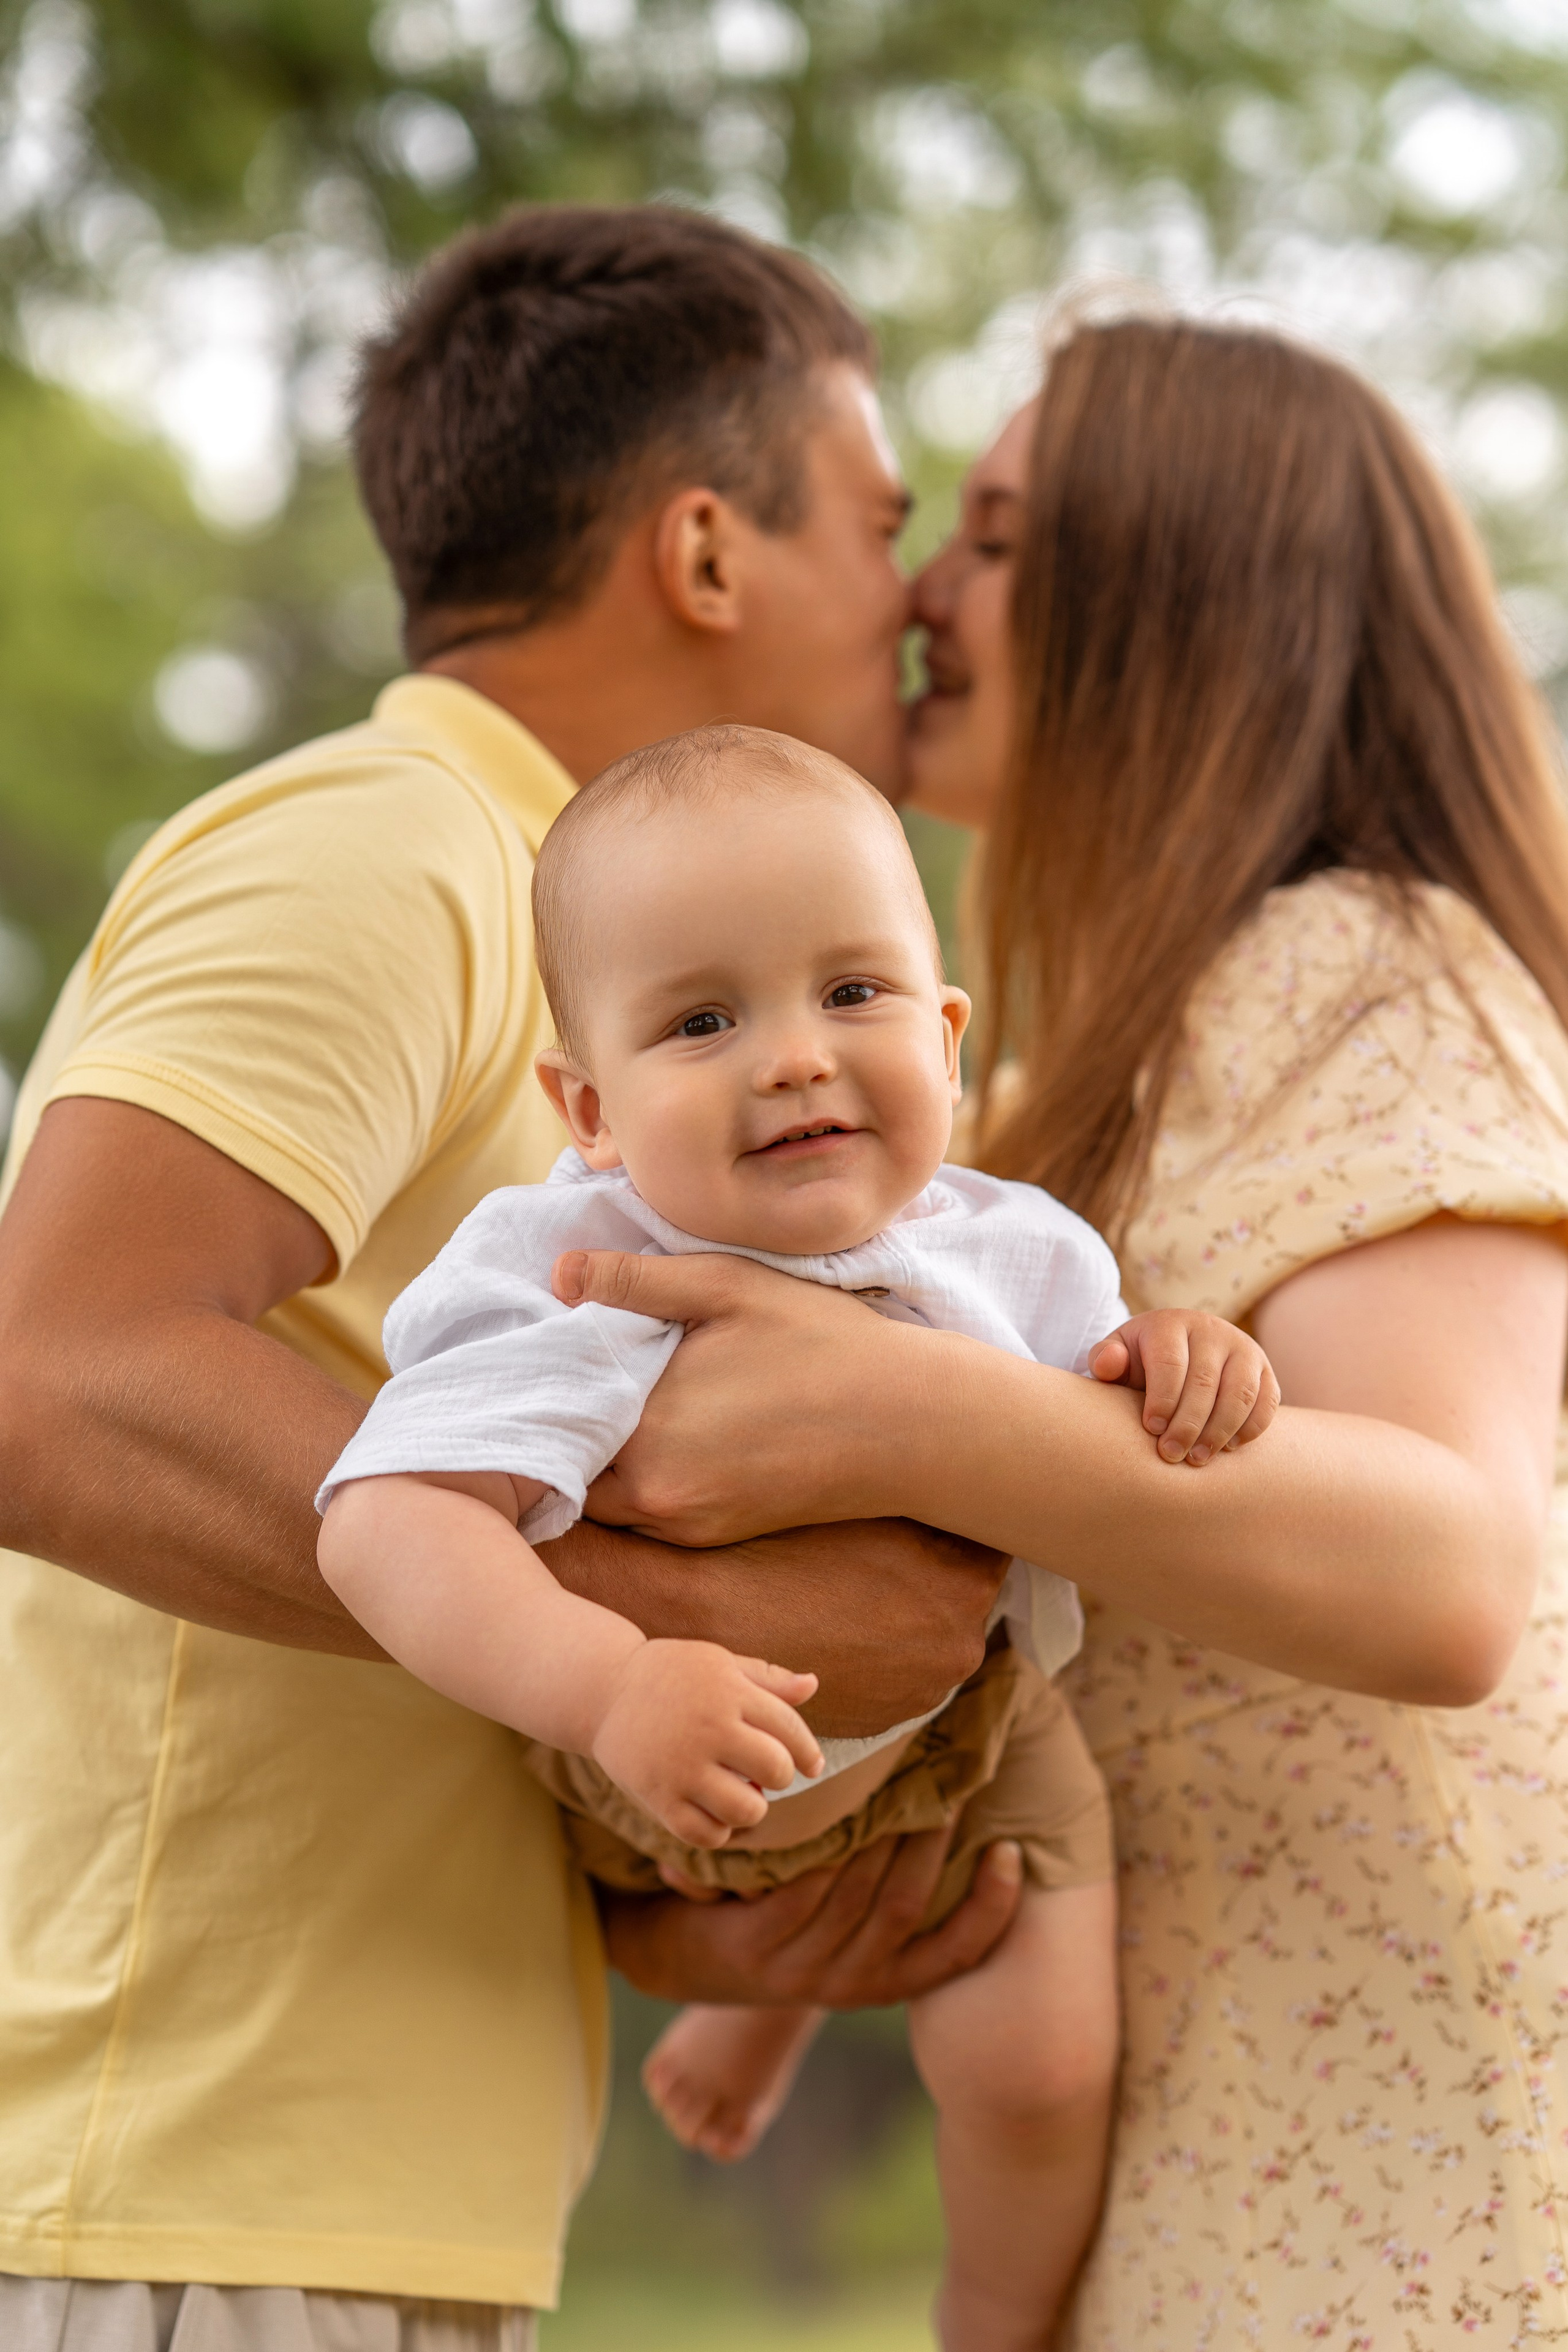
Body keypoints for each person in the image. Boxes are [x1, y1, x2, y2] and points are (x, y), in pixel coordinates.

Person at [0, 208, 1028, 2352]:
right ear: (709, 556)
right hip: (189, 2180)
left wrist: (698, 1879)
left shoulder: (627, 993)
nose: (918, 605)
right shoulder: (388, 844)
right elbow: (55, 1374)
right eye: (883, 523)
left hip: (375, 2183)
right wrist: (672, 1635)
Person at [552, 321, 1568, 2345]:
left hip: (1420, 2165)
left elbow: (1456, 1573)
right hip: (1205, 2131)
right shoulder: (1027, 1113)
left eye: (999, 539)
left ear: (1180, 607)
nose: (928, 587)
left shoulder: (1358, 962)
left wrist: (895, 1417)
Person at [312, 720, 1280, 2347]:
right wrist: (606, 1682)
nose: (794, 1057)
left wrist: (1186, 1352)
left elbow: (1107, 1409)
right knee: (786, 1839)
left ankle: (989, 2321)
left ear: (949, 1036)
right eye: (703, 1019)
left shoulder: (1013, 1251)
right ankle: (767, 2014)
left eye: (855, 992)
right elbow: (385, 1522)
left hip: (962, 1733)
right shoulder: (582, 1268)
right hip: (681, 1748)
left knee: (1042, 2068)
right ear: (590, 1106)